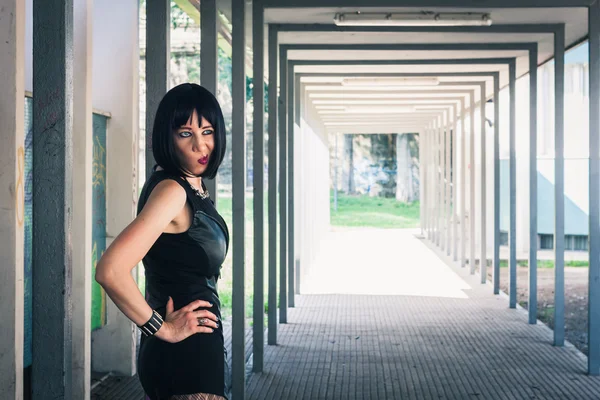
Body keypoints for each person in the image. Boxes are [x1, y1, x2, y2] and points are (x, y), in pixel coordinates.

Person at [95, 83, 231, 400]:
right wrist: (163, 328)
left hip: (191, 348)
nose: (201, 145)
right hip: (187, 355)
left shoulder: (185, 186)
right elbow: (110, 270)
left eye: (207, 131)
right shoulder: (172, 192)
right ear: (167, 138)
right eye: (186, 133)